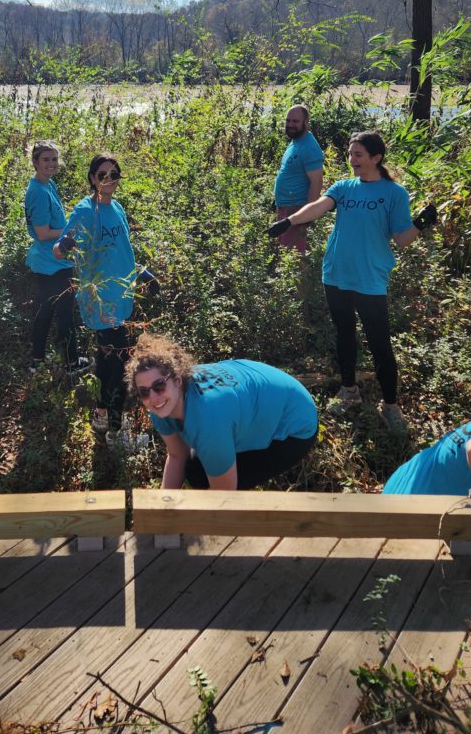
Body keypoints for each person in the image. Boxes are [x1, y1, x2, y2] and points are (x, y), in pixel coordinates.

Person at [268, 130, 436, 433]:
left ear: (376, 158)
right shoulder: (344, 187)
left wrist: (421, 224)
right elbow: (319, 206)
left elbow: (402, 239)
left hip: (370, 278)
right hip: (336, 274)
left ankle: (391, 406)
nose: (352, 159)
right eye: (350, 153)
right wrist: (290, 221)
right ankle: (349, 391)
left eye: (358, 154)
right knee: (344, 334)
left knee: (380, 345)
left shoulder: (394, 194)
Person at [54, 152, 157, 448]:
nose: (109, 180)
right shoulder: (85, 211)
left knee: (107, 360)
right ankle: (116, 434)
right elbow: (59, 251)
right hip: (100, 300)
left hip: (122, 296)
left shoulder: (118, 208)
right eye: (102, 175)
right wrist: (65, 245)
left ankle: (101, 415)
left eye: (114, 174)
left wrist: (143, 272)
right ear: (91, 178)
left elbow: (124, 249)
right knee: (119, 364)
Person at [126, 333, 318, 490]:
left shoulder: (209, 421)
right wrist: (161, 512)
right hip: (256, 399)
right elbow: (177, 455)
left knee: (209, 479)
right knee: (196, 470)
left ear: (177, 379)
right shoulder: (159, 405)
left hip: (294, 422)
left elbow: (223, 497)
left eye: (159, 385)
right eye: (143, 392)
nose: (153, 397)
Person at [23, 140, 86, 374]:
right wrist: (72, 230)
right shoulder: (38, 192)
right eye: (46, 159)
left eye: (54, 159)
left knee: (46, 311)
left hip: (52, 260)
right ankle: (71, 363)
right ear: (35, 162)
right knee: (64, 314)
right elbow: (42, 233)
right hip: (52, 263)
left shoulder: (47, 185)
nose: (51, 163)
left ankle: (37, 361)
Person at [273, 104, 324, 253]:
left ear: (306, 122)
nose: (290, 125)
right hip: (285, 206)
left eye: (295, 121)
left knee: (292, 256)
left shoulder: (310, 148)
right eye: (288, 121)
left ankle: (305, 275)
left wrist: (307, 215)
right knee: (284, 253)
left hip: (295, 210)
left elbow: (317, 182)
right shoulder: (296, 142)